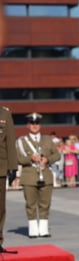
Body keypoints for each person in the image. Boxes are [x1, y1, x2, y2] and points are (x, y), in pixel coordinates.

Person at [16, 113, 60, 238]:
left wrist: (47, 159)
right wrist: (30, 158)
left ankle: (44, 229)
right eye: (32, 123)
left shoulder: (47, 139)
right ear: (28, 125)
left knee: (45, 203)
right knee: (31, 204)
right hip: (29, 176)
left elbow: (57, 155)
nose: (34, 126)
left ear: (40, 125)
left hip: (45, 175)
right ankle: (33, 230)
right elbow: (18, 158)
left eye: (37, 123)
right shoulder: (21, 141)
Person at [0, 105, 17, 252]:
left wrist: (13, 167)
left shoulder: (4, 114)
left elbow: (10, 141)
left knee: (0, 207)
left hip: (0, 166)